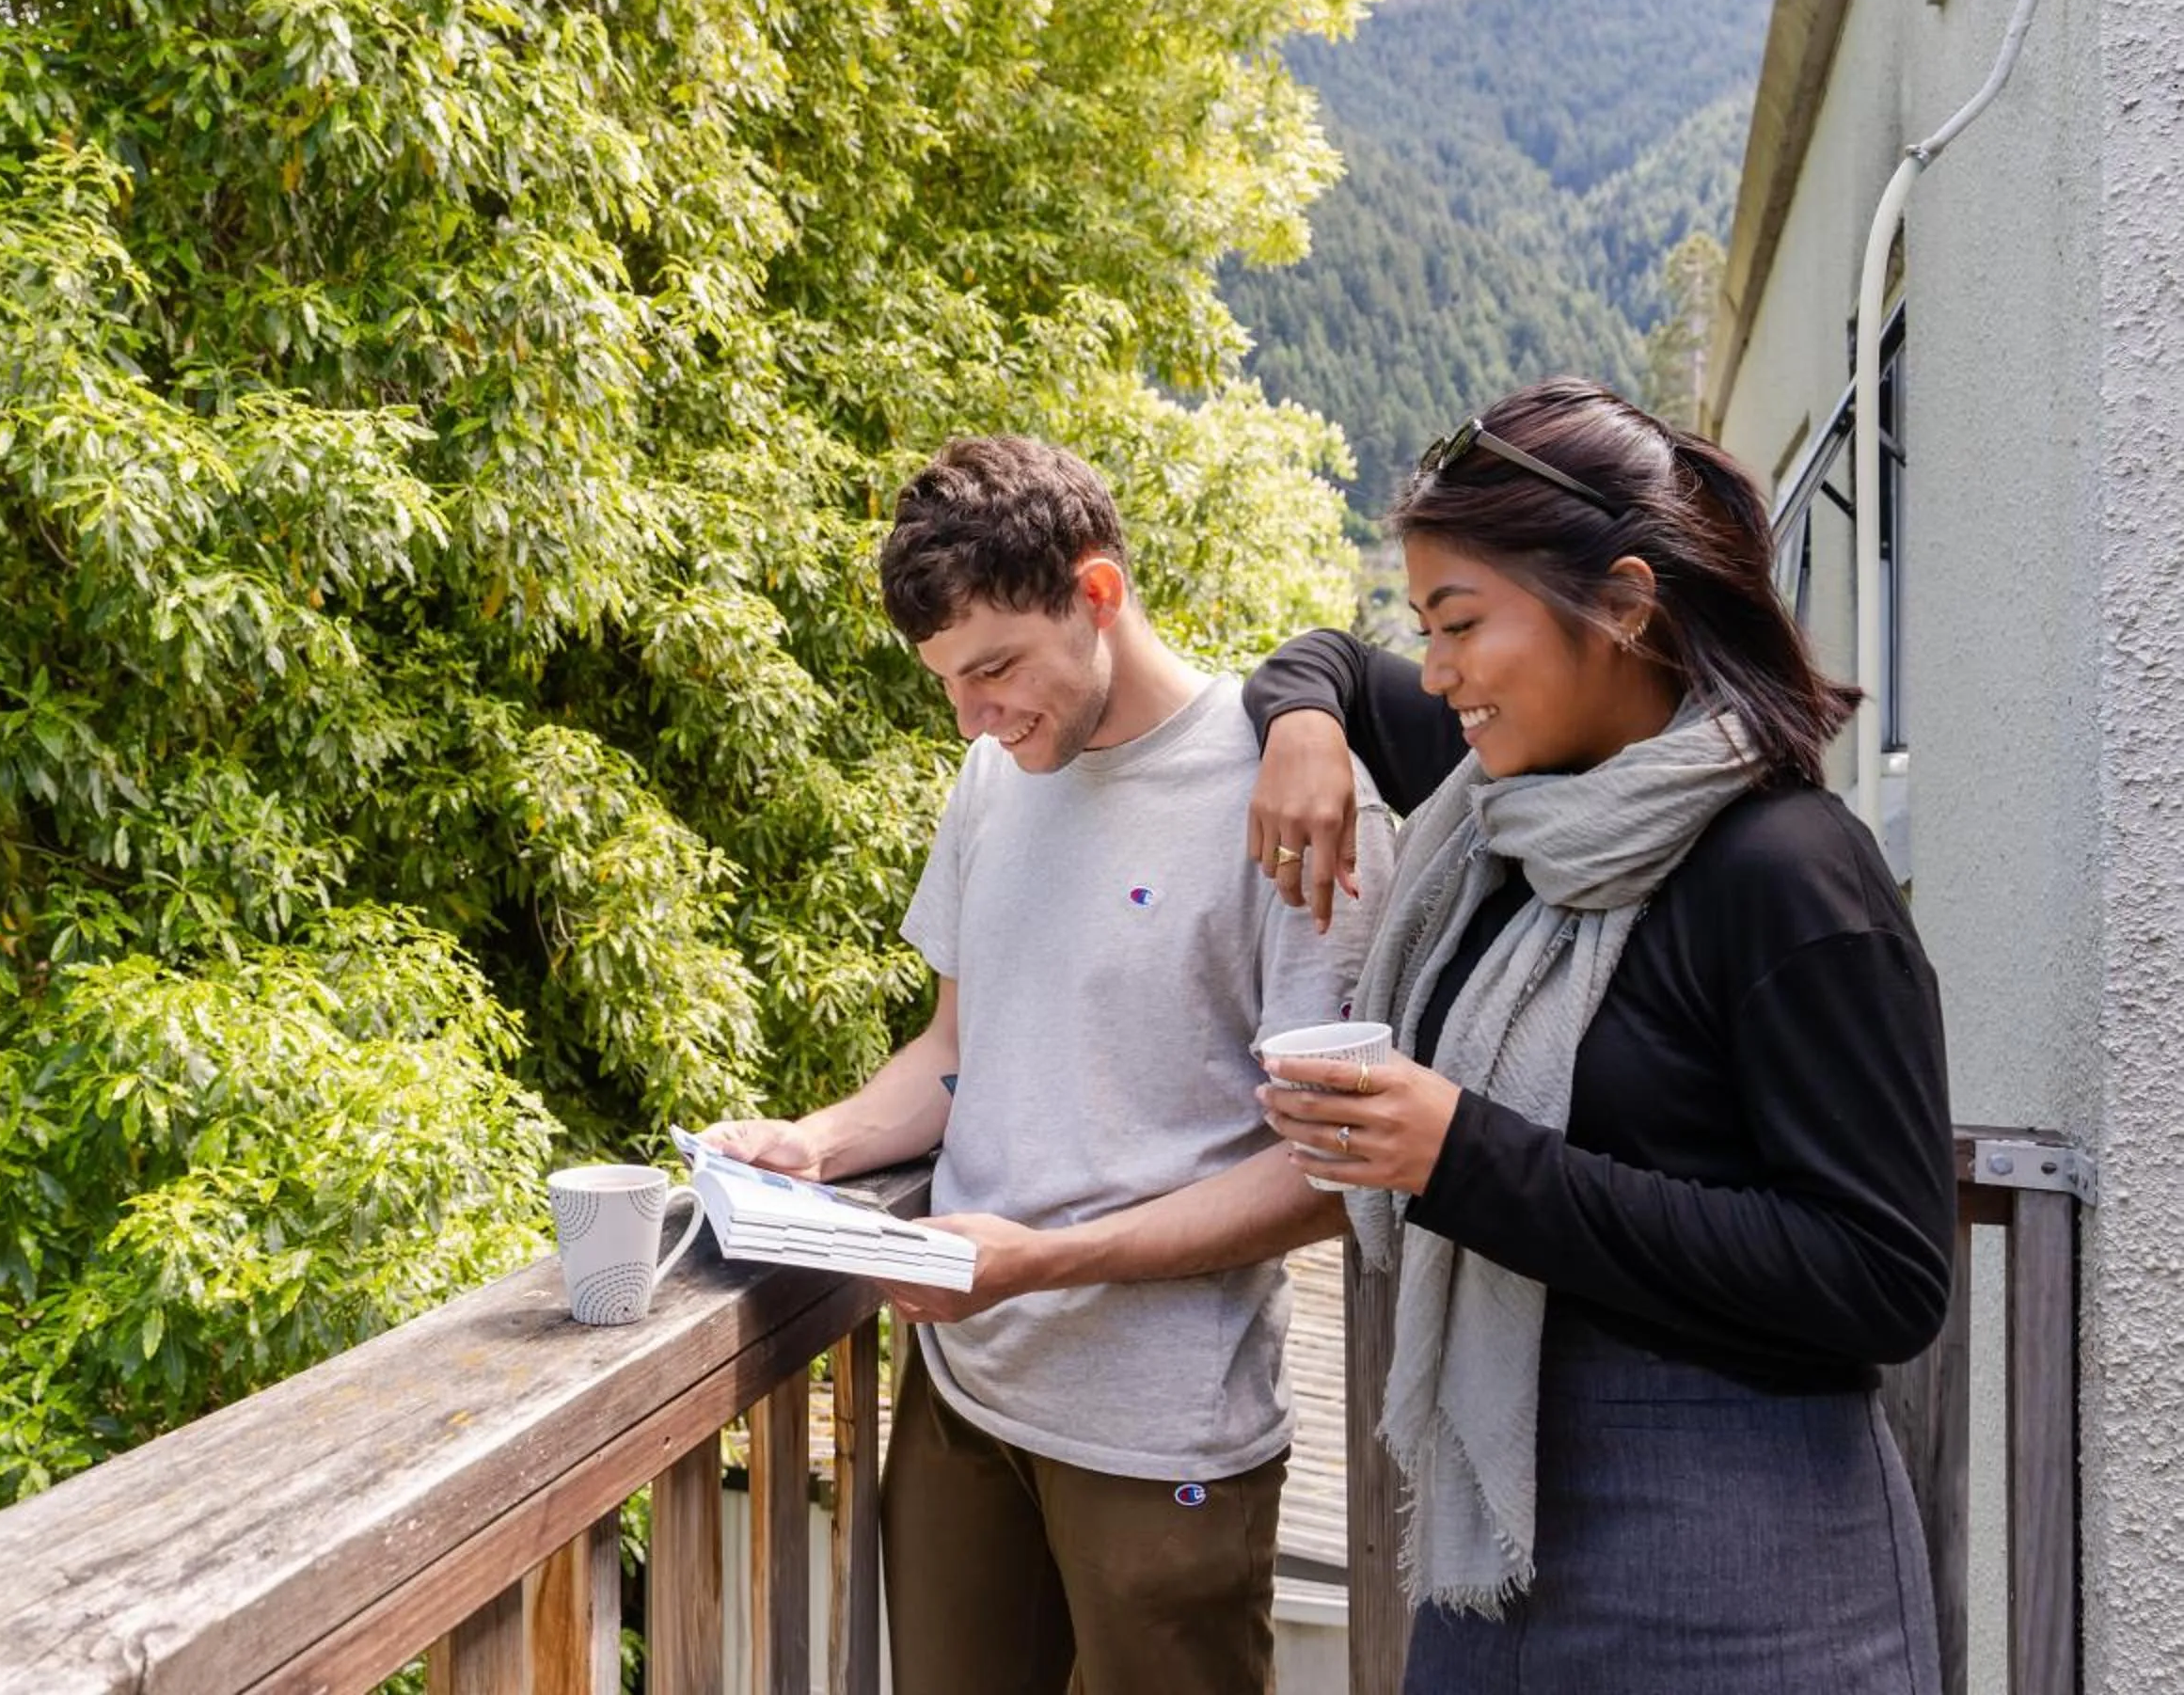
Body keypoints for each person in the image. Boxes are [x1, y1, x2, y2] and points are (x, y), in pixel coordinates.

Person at [1243, 377, 1955, 1692]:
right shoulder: (1518, 807)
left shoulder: (1792, 875)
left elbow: (1882, 1276)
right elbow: (1324, 665)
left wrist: (1459, 1156)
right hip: (1498, 1539)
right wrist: (1302, 729)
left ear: (1624, 605)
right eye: (1424, 627)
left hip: (1747, 1554)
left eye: (1460, 624)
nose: (1438, 671)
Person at [699, 433, 1389, 1695]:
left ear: (1099, 594)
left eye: (997, 668)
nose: (970, 716)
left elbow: (1338, 1173)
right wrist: (821, 1143)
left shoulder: (1290, 794)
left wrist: (1049, 1262)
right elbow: (957, 1052)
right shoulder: (993, 776)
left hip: (1159, 1436)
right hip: (961, 1401)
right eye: (947, 683)